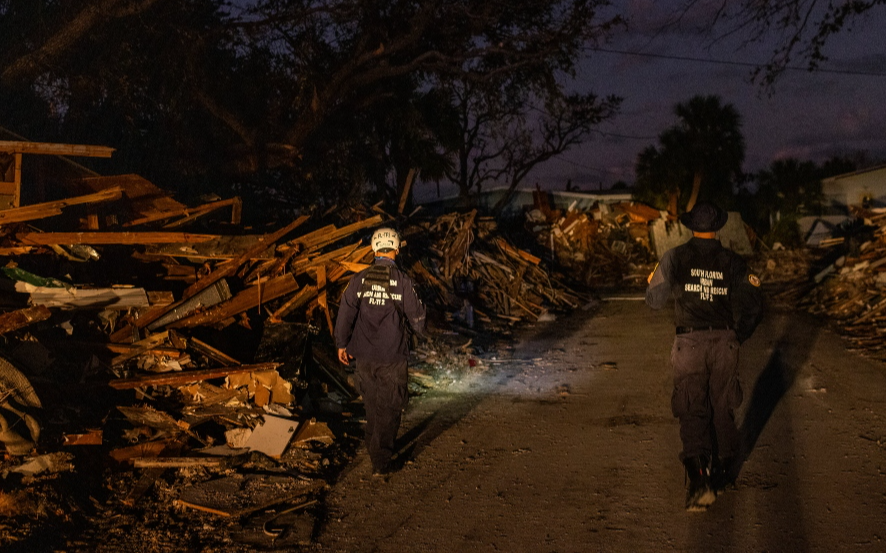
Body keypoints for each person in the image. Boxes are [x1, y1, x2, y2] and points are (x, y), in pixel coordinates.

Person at [645, 201, 763, 511]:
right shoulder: (733, 261)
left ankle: (699, 482)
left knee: (691, 407)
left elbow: (654, 300)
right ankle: (723, 474)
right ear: (719, 227)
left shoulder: (675, 257)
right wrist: (738, 335)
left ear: (690, 225)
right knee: (722, 407)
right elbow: (753, 302)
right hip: (724, 340)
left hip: (690, 343)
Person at [334, 227, 426, 476]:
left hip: (363, 356)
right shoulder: (403, 282)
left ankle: (373, 448)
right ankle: (382, 462)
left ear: (374, 250)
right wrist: (421, 335)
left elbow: (345, 313)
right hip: (392, 357)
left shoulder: (358, 280)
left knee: (372, 405)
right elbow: (418, 317)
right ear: (396, 249)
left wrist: (341, 344)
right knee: (390, 408)